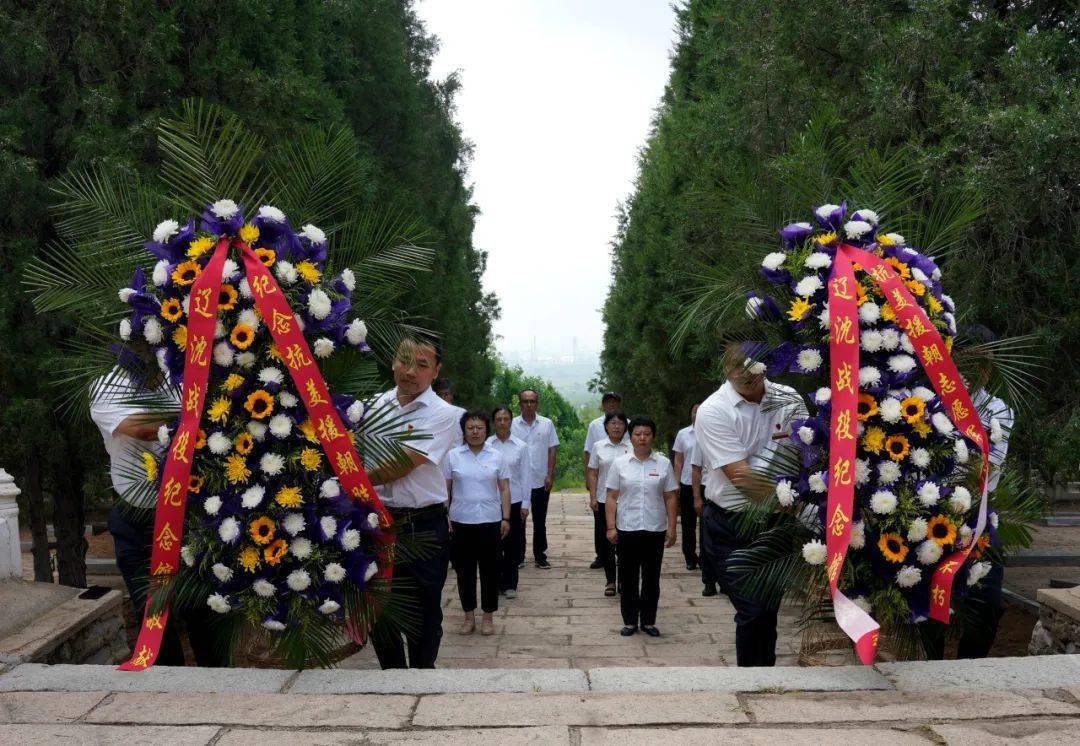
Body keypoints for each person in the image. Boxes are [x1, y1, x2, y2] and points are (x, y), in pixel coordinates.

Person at [90, 367, 223, 667]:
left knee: (204, 613)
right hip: (137, 518)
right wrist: (194, 414)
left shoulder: (181, 371)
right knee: (153, 617)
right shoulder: (108, 383)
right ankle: (167, 691)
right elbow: (139, 428)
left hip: (190, 514)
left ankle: (219, 690)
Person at [696, 346, 807, 666]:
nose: (744, 373)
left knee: (767, 609)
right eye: (736, 368)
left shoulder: (790, 399)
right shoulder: (713, 410)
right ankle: (752, 682)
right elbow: (740, 476)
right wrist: (792, 502)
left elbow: (807, 453)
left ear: (766, 366)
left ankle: (765, 678)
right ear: (725, 370)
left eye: (751, 366)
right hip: (732, 525)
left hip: (777, 525)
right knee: (753, 608)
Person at [922, 324, 1015, 660]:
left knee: (986, 605)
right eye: (969, 362)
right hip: (928, 513)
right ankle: (930, 666)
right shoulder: (929, 404)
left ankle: (969, 667)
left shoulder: (998, 410)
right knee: (925, 604)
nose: (976, 373)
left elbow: (983, 470)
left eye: (985, 365)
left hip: (978, 516)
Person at [368, 338, 460, 669]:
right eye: (404, 361)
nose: (411, 371)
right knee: (380, 607)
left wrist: (352, 479)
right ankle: (392, 678)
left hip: (423, 526)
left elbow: (403, 462)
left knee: (424, 609)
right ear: (392, 361)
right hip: (377, 522)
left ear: (436, 371)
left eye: (422, 365)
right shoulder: (368, 408)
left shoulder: (445, 414)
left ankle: (422, 677)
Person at [605, 415, 678, 637]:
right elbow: (611, 496)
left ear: (653, 437)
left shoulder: (663, 463)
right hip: (627, 528)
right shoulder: (620, 464)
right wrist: (610, 526)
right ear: (631, 436)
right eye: (638, 434)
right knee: (627, 577)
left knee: (651, 578)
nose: (642, 438)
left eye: (647, 434)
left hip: (654, 528)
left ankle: (648, 621)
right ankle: (629, 621)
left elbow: (670, 497)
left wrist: (672, 527)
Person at [443, 410, 512, 636]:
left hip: (490, 521)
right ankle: (468, 616)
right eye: (470, 428)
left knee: (490, 571)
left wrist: (506, 517)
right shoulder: (453, 456)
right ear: (463, 431)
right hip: (461, 522)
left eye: (479, 428)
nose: (475, 432)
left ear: (486, 429)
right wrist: (446, 517)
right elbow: (446, 489)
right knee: (465, 572)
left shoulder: (496, 455)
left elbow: (504, 488)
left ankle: (488, 616)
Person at [511, 388, 559, 569]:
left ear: (537, 404)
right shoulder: (512, 424)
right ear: (520, 404)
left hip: (540, 479)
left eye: (532, 401)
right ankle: (518, 556)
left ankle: (540, 555)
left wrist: (550, 473)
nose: (529, 404)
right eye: (525, 401)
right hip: (517, 481)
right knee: (518, 520)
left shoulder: (546, 424)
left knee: (540, 520)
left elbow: (552, 449)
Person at [487, 405, 532, 598]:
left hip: (514, 501)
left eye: (506, 419)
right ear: (493, 422)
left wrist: (525, 504)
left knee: (513, 544)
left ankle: (510, 583)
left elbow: (526, 476)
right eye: (499, 419)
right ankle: (495, 582)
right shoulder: (487, 445)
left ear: (511, 421)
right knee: (493, 544)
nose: (503, 422)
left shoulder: (520, 446)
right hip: (491, 501)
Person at [587, 411, 630, 596]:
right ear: (606, 426)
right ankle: (610, 580)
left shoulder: (631, 446)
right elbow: (593, 472)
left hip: (626, 501)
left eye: (620, 423)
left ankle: (624, 581)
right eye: (612, 423)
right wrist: (593, 497)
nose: (616, 426)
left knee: (625, 543)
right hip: (605, 501)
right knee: (607, 542)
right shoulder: (598, 446)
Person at [672, 404, 701, 571]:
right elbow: (678, 461)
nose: (697, 414)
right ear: (690, 414)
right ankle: (689, 557)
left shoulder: (712, 431)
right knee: (688, 523)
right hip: (687, 483)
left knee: (706, 524)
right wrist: (675, 484)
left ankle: (706, 557)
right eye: (694, 411)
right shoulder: (683, 434)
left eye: (701, 410)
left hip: (707, 484)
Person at [690, 440, 720, 597]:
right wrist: (696, 498)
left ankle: (726, 581)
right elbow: (695, 468)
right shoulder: (701, 437)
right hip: (708, 491)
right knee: (707, 540)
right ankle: (709, 580)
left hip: (733, 491)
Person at [433, 378, 466, 447]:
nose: (442, 397)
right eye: (439, 395)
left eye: (446, 394)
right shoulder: (429, 412)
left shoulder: (461, 413)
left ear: (452, 395)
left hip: (455, 455)